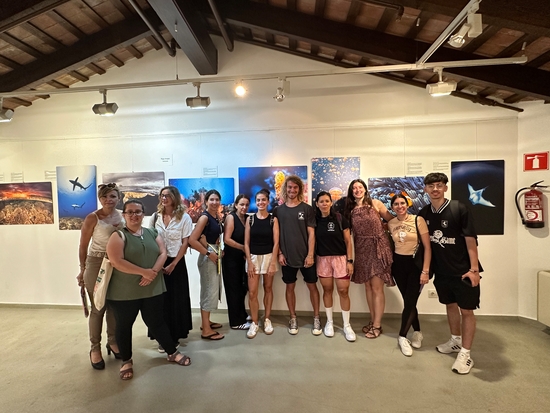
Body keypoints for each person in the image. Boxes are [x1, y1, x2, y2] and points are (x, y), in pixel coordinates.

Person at [106, 200, 191, 381]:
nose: (134, 215)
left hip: (152, 288)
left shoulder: (153, 233)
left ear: (143, 214)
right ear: (124, 215)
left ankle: (171, 352)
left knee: (157, 322)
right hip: (124, 292)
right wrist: (143, 272)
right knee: (124, 325)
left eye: (138, 211)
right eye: (130, 212)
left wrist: (152, 273)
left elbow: (163, 253)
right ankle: (126, 361)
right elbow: (116, 261)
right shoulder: (118, 236)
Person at [418, 172, 482, 375]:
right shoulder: (424, 212)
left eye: (439, 185)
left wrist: (474, 270)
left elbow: (471, 240)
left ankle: (466, 353)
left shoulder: (458, 208)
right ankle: (455, 340)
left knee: (467, 311)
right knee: (450, 305)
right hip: (442, 271)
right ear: (425, 189)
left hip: (463, 271)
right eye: (431, 186)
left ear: (445, 187)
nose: (435, 189)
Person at [77, 183, 122, 370]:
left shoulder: (122, 215)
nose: (108, 200)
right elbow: (83, 245)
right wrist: (82, 269)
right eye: (104, 197)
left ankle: (113, 341)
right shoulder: (92, 217)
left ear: (118, 198)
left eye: (112, 196)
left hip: (117, 262)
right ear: (99, 199)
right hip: (96, 262)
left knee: (114, 306)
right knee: (98, 307)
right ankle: (94, 348)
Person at [344, 179, 394, 339]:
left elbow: (391, 220)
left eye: (360, 187)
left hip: (378, 248)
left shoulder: (376, 203)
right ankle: (373, 321)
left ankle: (377, 325)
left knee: (377, 287)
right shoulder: (350, 210)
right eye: (354, 188)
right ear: (351, 192)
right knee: (368, 287)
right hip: (362, 249)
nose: (357, 190)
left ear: (365, 189)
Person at [274, 175, 321, 335]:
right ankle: (293, 318)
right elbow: (276, 235)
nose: (292, 190)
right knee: (290, 287)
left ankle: (316, 318)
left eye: (295, 187)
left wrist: (310, 255)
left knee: (312, 286)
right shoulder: (278, 211)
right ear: (285, 189)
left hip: (306, 257)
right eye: (289, 187)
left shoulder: (307, 209)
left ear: (300, 189)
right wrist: (280, 253)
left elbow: (312, 234)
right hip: (287, 257)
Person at [149, 186, 193, 352]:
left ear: (175, 197)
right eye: (162, 195)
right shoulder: (155, 217)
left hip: (176, 263)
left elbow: (185, 242)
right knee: (160, 301)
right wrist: (157, 264)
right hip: (158, 262)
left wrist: (173, 264)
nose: (164, 198)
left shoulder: (184, 218)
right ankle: (162, 337)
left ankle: (174, 336)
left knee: (176, 300)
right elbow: (150, 238)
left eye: (167, 195)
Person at [388, 194, 431, 356]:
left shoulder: (418, 220)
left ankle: (402, 336)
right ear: (392, 207)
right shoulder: (391, 223)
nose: (399, 206)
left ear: (407, 204)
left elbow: (427, 247)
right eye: (396, 204)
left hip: (415, 265)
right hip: (398, 266)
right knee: (409, 301)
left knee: (410, 300)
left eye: (402, 203)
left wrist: (425, 271)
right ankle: (417, 331)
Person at [314, 191, 356, 342]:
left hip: (340, 259)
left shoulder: (339, 218)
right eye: (321, 201)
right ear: (317, 204)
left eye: (327, 201)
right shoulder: (315, 220)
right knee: (327, 290)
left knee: (343, 291)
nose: (324, 204)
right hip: (323, 259)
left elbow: (348, 241)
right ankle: (329, 322)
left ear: (331, 203)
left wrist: (350, 261)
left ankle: (347, 325)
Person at [189, 189, 225, 340]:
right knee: (209, 292)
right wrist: (209, 254)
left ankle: (206, 323)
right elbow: (192, 240)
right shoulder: (204, 218)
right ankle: (206, 331)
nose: (215, 202)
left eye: (217, 200)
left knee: (210, 291)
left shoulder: (215, 217)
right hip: (208, 258)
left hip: (214, 255)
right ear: (206, 201)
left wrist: (218, 250)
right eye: (212, 199)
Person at [244, 189, 279, 338]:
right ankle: (254, 322)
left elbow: (276, 243)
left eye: (263, 200)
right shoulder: (250, 219)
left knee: (268, 288)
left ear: (268, 201)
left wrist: (272, 262)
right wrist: (249, 262)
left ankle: (267, 319)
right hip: (253, 257)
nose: (261, 202)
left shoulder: (273, 220)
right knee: (252, 292)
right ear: (255, 202)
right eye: (258, 200)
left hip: (269, 257)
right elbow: (246, 243)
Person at [222, 194, 252, 330]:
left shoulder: (247, 218)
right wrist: (244, 248)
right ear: (236, 205)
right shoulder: (231, 217)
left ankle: (242, 314)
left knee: (242, 288)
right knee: (233, 289)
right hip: (231, 259)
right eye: (241, 204)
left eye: (246, 205)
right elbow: (227, 239)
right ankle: (235, 322)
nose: (244, 207)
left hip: (242, 259)